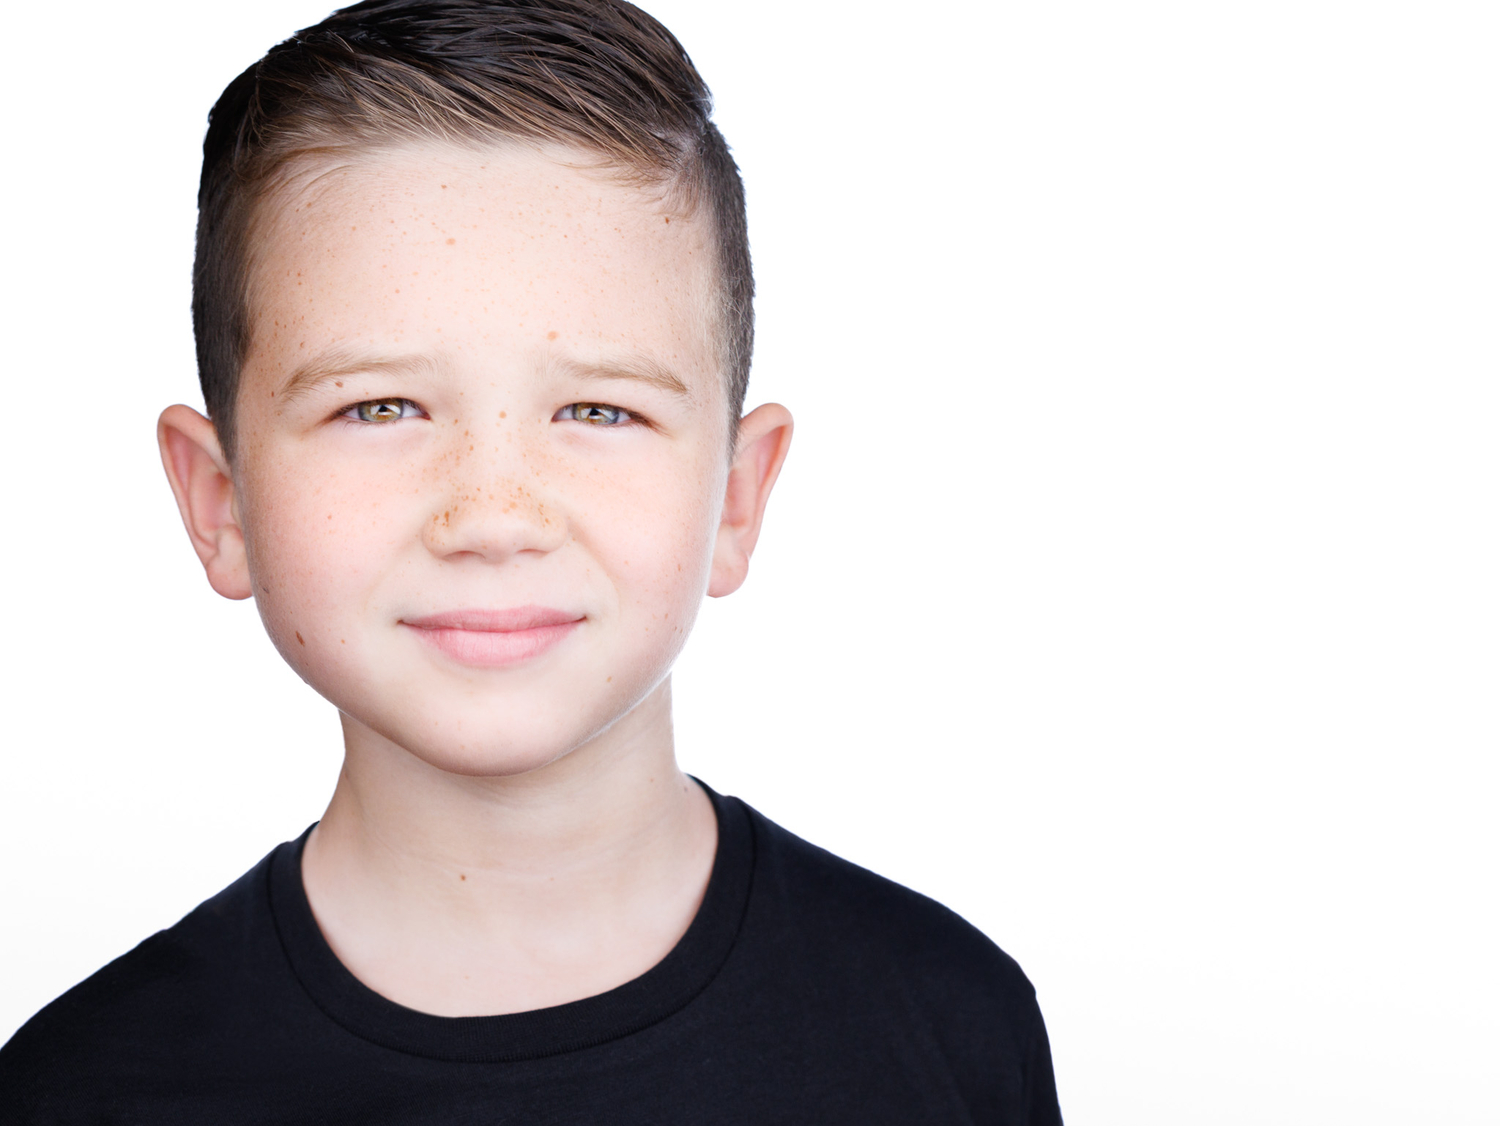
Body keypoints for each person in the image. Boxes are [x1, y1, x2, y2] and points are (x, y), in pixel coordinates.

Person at [0, 1, 1062, 1120]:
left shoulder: (948, 1022)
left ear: (738, 496)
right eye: (380, 407)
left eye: (600, 411)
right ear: (221, 502)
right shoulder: (79, 1090)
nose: (494, 515)